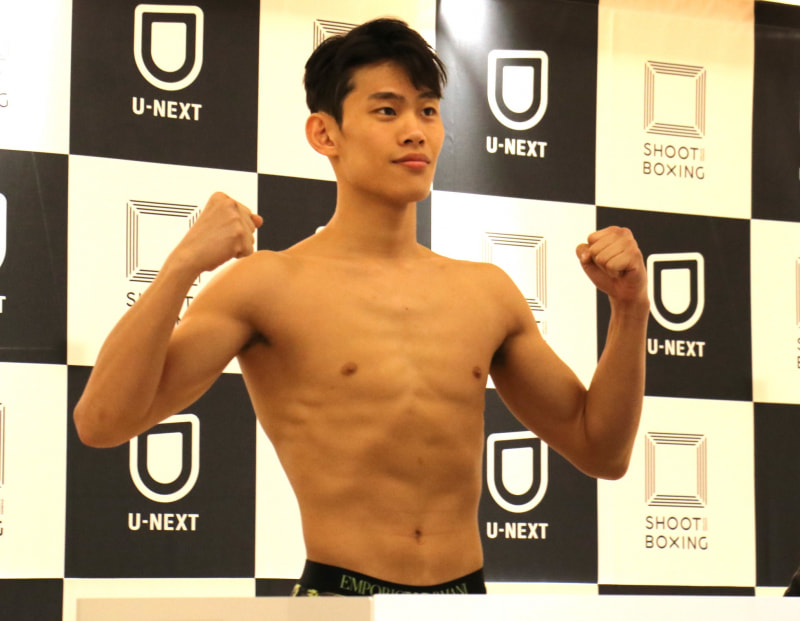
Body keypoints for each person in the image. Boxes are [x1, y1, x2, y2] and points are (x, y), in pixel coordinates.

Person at [74, 18, 649, 596]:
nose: (415, 132)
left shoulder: (487, 291)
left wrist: (629, 309)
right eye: (387, 111)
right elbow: (102, 422)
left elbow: (602, 450)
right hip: (340, 597)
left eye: (428, 110)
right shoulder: (267, 286)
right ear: (325, 134)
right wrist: (181, 267)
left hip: (464, 600)